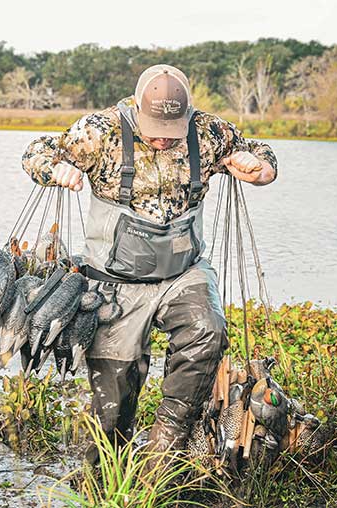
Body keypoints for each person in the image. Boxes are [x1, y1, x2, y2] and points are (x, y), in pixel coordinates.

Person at [22, 64, 277, 460]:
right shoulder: (99, 131)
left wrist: (258, 169)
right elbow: (36, 152)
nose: (162, 137)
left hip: (183, 272)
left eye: (171, 128)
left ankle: (166, 447)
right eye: (154, 125)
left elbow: (263, 156)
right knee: (114, 402)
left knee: (207, 332)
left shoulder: (209, 132)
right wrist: (57, 169)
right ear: (137, 108)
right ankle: (104, 479)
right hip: (113, 282)